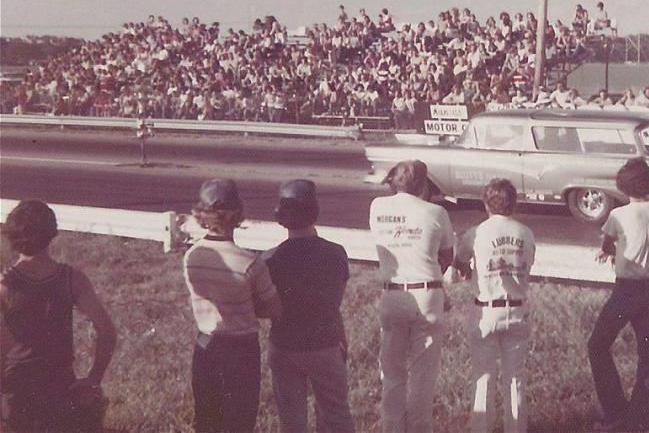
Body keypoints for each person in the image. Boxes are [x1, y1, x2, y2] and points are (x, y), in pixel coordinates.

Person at [1, 200, 117, 432]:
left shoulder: (5, 285)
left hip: (16, 387)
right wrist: (93, 380)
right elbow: (107, 331)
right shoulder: (72, 279)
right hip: (59, 382)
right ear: (52, 234)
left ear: (11, 238)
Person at [183, 179, 283, 432]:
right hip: (240, 350)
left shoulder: (191, 256)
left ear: (201, 214)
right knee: (239, 420)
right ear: (237, 214)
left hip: (205, 345)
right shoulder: (250, 262)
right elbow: (275, 310)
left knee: (206, 417)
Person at [369, 160, 455, 432]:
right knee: (423, 374)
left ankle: (392, 428)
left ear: (393, 182)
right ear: (422, 184)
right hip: (427, 293)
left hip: (393, 294)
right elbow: (446, 256)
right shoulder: (436, 212)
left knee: (392, 372)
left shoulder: (377, 207)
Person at [263, 180, 355, 433]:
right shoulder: (336, 253)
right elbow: (335, 301)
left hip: (285, 345)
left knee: (291, 419)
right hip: (325, 343)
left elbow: (264, 307)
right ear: (315, 210)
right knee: (336, 413)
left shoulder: (270, 258)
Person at [588, 158, 649, 432]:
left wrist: (607, 251)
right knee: (646, 350)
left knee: (597, 345)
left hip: (627, 289)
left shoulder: (619, 215)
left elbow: (610, 240)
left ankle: (615, 409)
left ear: (623, 188)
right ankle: (639, 410)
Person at [454, 179, 536, 433]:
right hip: (517, 308)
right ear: (514, 203)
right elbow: (527, 264)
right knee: (515, 378)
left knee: (483, 377)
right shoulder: (525, 233)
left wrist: (467, 269)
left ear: (486, 203)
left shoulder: (476, 232)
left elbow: (458, 262)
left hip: (486, 309)